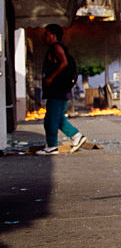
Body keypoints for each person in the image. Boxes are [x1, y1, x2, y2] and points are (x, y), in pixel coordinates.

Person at [37, 24, 86, 155]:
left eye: (46, 34)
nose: (44, 37)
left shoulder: (56, 47)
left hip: (58, 90)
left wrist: (51, 78)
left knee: (52, 118)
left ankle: (52, 146)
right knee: (55, 118)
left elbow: (64, 62)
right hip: (58, 90)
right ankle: (77, 136)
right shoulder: (54, 48)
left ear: (53, 35)